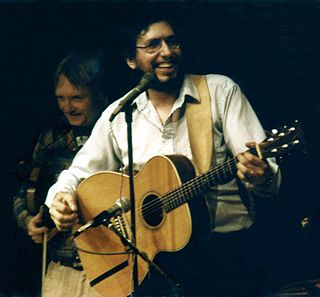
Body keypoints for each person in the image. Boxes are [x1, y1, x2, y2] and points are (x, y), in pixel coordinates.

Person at [45, 16, 281, 297]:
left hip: (225, 256)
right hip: (152, 265)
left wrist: (262, 174)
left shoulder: (219, 91)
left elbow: (266, 176)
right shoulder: (120, 115)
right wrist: (59, 198)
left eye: (172, 42)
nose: (167, 51)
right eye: (152, 45)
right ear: (131, 60)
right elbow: (77, 172)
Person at [13, 53, 109, 297]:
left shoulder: (117, 132)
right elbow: (24, 191)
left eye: (77, 98)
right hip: (61, 267)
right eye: (61, 98)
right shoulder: (51, 140)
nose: (68, 107)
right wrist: (28, 221)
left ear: (96, 94)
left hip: (109, 267)